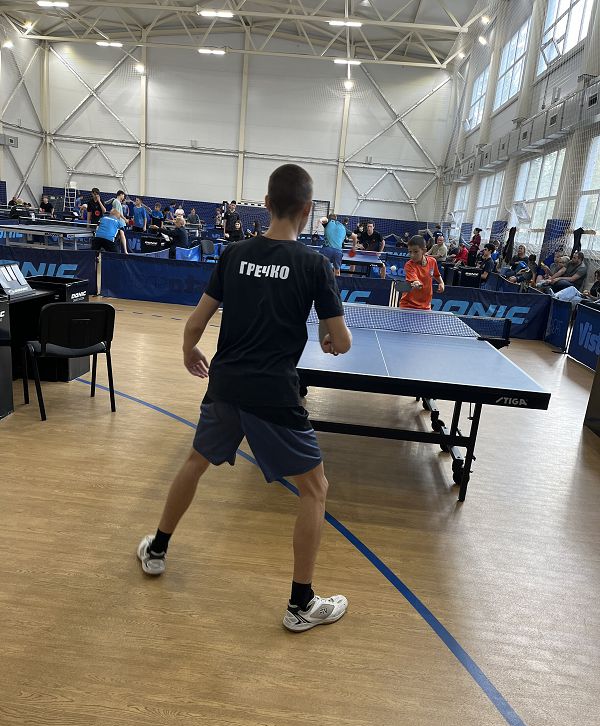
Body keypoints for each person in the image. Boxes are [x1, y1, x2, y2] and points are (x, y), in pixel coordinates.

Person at [136, 163, 352, 633]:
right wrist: (331, 340)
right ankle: (301, 604)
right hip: (274, 394)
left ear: (267, 204)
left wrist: (189, 349)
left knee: (195, 462)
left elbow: (196, 322)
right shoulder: (315, 265)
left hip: (226, 385)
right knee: (315, 489)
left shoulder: (233, 253)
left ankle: (157, 549)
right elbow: (341, 341)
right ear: (308, 210)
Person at [400, 235, 445, 309]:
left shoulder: (432, 261)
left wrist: (441, 283)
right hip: (408, 305)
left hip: (426, 306)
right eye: (410, 252)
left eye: (416, 252)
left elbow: (436, 275)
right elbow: (415, 280)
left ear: (424, 251)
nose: (412, 255)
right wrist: (416, 283)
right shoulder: (409, 265)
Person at [320, 213, 351, 277]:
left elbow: (323, 219)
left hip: (327, 249)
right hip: (338, 251)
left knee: (321, 268)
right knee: (337, 271)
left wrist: (320, 221)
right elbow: (354, 237)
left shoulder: (328, 223)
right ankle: (337, 282)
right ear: (336, 219)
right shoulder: (342, 226)